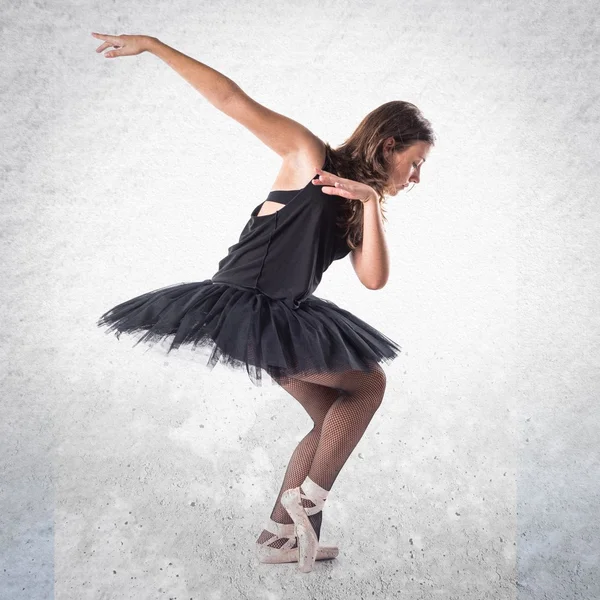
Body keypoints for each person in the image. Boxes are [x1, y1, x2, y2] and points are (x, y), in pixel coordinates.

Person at [92, 32, 435, 573]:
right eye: (414, 163)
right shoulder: (309, 155)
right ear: (388, 144)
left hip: (286, 318)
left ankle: (278, 537)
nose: (416, 179)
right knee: (369, 382)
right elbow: (233, 101)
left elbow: (374, 280)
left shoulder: (354, 201)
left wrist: (369, 201)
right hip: (247, 307)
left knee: (331, 422)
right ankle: (309, 503)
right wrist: (155, 47)